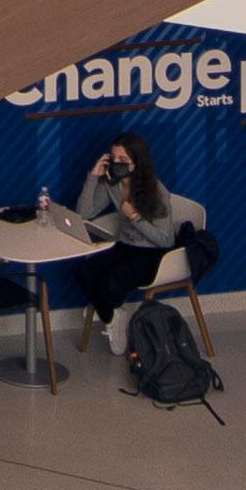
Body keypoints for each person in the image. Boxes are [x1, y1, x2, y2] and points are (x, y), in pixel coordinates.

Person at [69, 132, 183, 354]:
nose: (117, 164)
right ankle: (111, 315)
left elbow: (166, 240)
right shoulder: (112, 184)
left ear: (136, 163)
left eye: (123, 160)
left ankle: (104, 309)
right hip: (124, 246)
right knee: (84, 272)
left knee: (109, 284)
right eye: (113, 159)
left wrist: (135, 217)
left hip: (153, 254)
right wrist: (93, 177)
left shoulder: (156, 190)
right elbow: (83, 213)